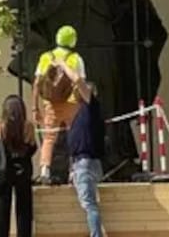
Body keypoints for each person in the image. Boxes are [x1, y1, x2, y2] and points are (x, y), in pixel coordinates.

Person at [33, 24, 86, 183]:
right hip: (72, 103)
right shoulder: (75, 58)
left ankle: (45, 170)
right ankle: (73, 171)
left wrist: (35, 107)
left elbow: (37, 83)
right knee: (73, 136)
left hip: (50, 104)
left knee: (49, 137)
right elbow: (80, 83)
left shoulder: (46, 57)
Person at [63, 66, 105, 237]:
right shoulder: (80, 114)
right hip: (81, 163)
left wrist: (63, 64)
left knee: (89, 204)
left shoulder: (91, 106)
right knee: (91, 203)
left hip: (85, 163)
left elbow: (78, 81)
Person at [0, 95, 37, 237]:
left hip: (4, 171)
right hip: (23, 171)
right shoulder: (28, 127)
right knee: (24, 210)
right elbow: (32, 149)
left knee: (1, 209)